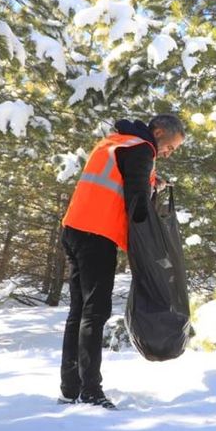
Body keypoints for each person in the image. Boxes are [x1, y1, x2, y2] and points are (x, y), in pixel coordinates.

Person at [58, 114, 185, 409]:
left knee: (78, 311)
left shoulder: (115, 142)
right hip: (97, 235)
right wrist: (147, 244)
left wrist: (154, 182)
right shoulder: (142, 148)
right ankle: (91, 391)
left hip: (74, 229)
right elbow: (136, 200)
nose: (168, 152)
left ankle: (70, 388)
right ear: (159, 131)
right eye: (171, 146)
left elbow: (122, 178)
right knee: (95, 312)